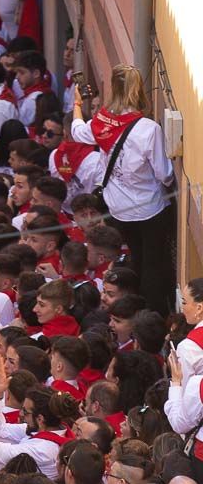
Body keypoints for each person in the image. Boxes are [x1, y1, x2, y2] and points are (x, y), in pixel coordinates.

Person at [71, 65, 175, 315]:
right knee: (153, 266)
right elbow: (165, 174)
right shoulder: (149, 129)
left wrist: (77, 105)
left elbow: (77, 131)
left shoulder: (102, 121)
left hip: (118, 209)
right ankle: (152, 316)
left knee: (134, 261)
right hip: (149, 209)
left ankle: (130, 310)